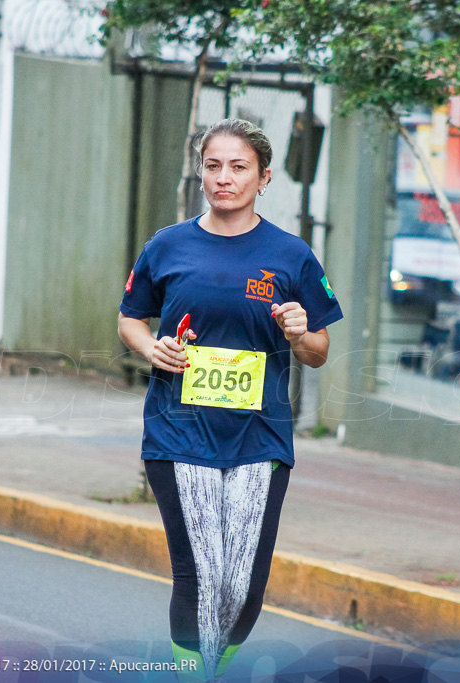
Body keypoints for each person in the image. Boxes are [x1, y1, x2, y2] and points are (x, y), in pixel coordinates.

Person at [117, 119, 343, 678]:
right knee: (199, 572)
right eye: (213, 166)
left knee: (242, 581)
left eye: (238, 167)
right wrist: (153, 348)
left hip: (259, 438)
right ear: (200, 173)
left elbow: (318, 351)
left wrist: (299, 331)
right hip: (178, 432)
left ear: (264, 177)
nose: (224, 178)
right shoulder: (166, 246)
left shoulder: (291, 256)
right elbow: (129, 320)